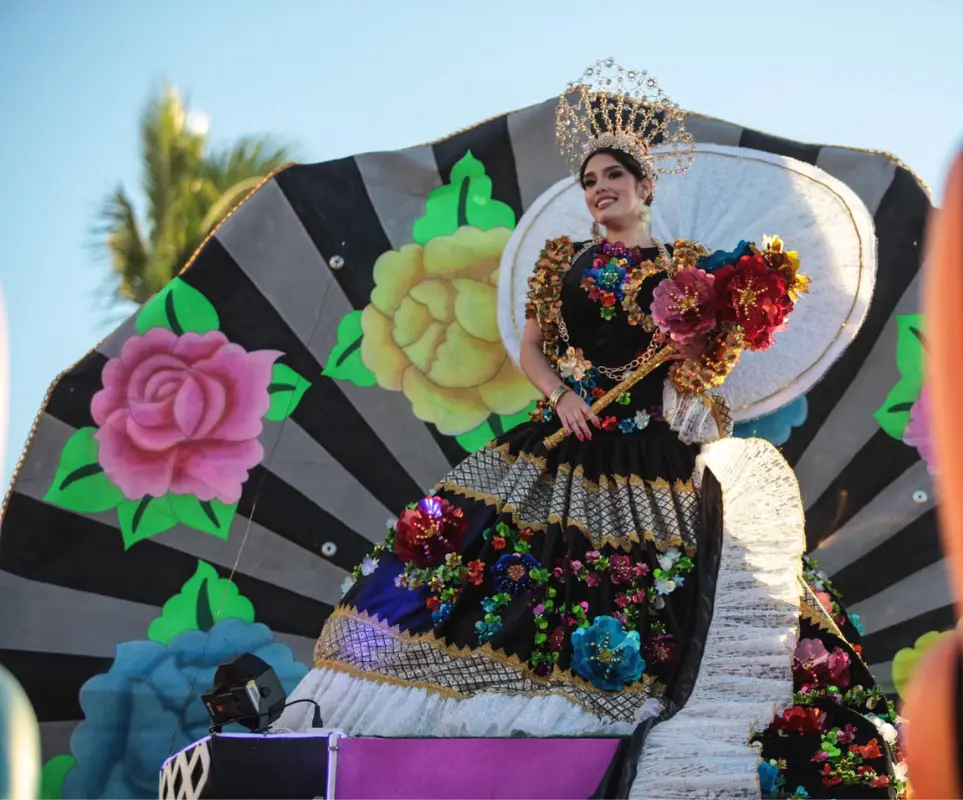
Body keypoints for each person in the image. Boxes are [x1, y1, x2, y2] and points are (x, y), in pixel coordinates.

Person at [278, 61, 907, 798]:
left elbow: (697, 375)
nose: (599, 187)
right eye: (588, 179)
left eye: (612, 174)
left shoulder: (688, 268)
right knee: (487, 575)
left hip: (657, 453)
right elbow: (531, 346)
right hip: (567, 438)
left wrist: (713, 328)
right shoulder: (562, 260)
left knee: (664, 591)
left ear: (646, 186)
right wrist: (559, 398)